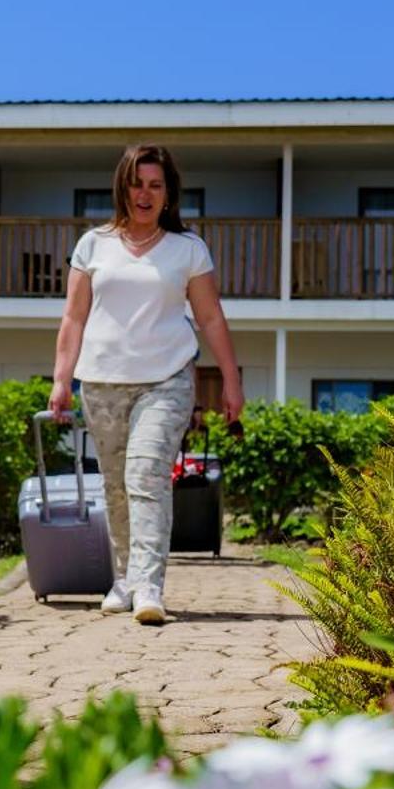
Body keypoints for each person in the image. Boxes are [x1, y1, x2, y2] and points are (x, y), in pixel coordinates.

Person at [48, 144, 243, 624]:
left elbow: (211, 318)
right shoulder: (93, 245)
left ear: (169, 193)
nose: (145, 193)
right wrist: (61, 380)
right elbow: (73, 318)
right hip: (101, 382)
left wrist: (232, 382)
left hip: (167, 380)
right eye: (138, 183)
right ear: (123, 187)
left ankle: (149, 587)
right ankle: (123, 579)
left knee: (146, 476)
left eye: (156, 185)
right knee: (115, 485)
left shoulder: (188, 250)